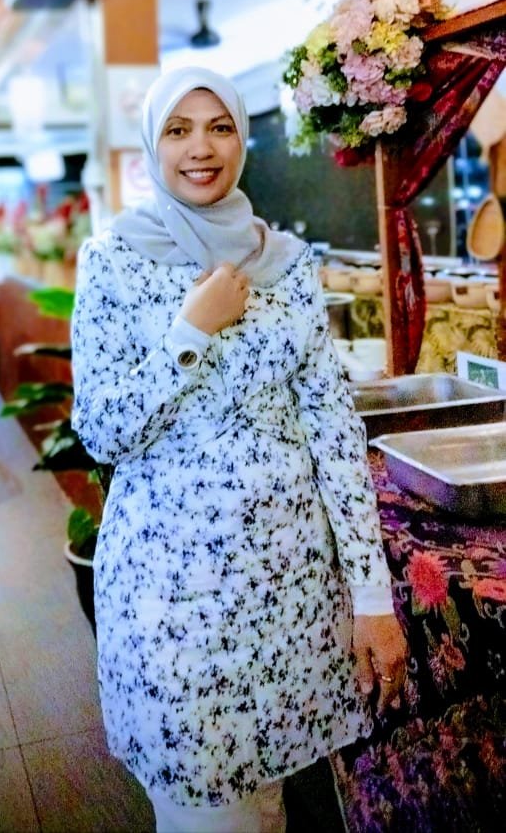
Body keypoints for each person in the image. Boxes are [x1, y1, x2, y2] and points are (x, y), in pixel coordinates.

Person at [71, 66, 407, 833]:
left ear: (242, 139)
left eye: (220, 127)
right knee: (205, 811)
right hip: (175, 601)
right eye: (178, 130)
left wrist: (371, 599)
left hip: (290, 596)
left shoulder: (286, 263)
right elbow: (103, 430)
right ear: (153, 144)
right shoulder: (114, 259)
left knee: (267, 805)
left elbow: (333, 432)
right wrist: (189, 332)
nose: (201, 148)